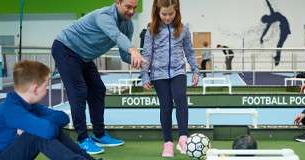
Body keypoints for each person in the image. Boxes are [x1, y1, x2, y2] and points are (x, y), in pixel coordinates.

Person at [51, 0, 143, 154]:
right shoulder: (104, 15)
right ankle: (82, 139)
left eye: (135, 8)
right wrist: (133, 49)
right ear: (117, 3)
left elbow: (124, 53)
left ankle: (99, 134)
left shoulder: (128, 25)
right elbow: (116, 35)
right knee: (79, 91)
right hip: (66, 49)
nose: (132, 11)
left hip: (84, 57)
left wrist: (141, 61)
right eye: (128, 7)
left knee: (98, 89)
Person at [0, 60, 97, 160]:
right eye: (46, 86)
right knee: (38, 133)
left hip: (3, 154)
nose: (47, 90)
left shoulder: (29, 105)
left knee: (42, 129)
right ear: (35, 89)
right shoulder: (12, 110)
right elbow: (49, 130)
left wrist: (36, 123)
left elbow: (63, 117)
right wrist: (37, 125)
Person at [141, 0, 199, 157]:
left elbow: (189, 51)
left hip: (178, 71)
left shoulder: (183, 29)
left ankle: (183, 137)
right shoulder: (151, 30)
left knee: (180, 99)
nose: (167, 17)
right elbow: (147, 54)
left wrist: (195, 70)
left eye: (171, 14)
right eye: (164, 14)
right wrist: (145, 74)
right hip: (158, 74)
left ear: (177, 11)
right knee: (165, 106)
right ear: (157, 12)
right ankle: (167, 143)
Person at [259, 0, 290, 66]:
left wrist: (262, 37)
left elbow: (266, 30)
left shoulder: (271, 18)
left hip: (284, 26)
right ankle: (277, 58)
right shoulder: (271, 16)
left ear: (266, 18)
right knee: (279, 45)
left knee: (279, 45)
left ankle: (277, 59)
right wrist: (261, 37)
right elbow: (269, 6)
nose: (266, 22)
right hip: (283, 26)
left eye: (265, 21)